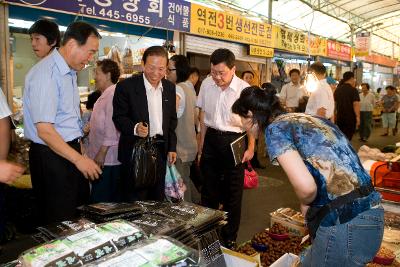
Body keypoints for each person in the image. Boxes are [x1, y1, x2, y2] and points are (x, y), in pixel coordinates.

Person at [232, 85, 383, 267]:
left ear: (250, 114)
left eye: (242, 118)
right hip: (372, 215)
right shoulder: (309, 119)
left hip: (344, 225)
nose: (242, 125)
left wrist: (306, 203)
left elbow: (306, 188)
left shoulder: (275, 129)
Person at [23, 21, 102, 225]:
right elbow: (45, 130)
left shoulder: (69, 73)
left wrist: (80, 150)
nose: (90, 58)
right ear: (73, 44)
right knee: (59, 221)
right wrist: (79, 160)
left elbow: (68, 119)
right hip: (51, 156)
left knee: (77, 216)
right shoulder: (47, 74)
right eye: (90, 51)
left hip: (68, 151)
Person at [197, 48, 255, 248]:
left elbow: (251, 122)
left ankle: (230, 237)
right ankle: (208, 234)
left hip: (235, 141)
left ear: (233, 69)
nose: (217, 77)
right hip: (212, 138)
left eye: (221, 73)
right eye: (214, 72)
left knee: (233, 193)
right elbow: (203, 118)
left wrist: (251, 147)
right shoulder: (206, 83)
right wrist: (201, 145)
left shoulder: (244, 89)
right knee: (209, 191)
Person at [113, 46, 177, 202]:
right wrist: (135, 128)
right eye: (151, 68)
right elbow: (119, 117)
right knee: (135, 200)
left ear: (166, 69)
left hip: (160, 150)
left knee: (157, 199)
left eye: (161, 69)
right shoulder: (125, 87)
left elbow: (172, 120)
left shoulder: (169, 88)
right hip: (136, 151)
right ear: (143, 65)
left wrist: (172, 148)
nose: (156, 73)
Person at [86, 59, 121, 203]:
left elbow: (112, 128)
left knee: (102, 203)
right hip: (102, 159)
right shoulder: (104, 95)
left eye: (97, 72)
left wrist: (101, 154)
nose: (94, 76)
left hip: (108, 160)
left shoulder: (112, 95)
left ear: (108, 75)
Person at [167, 55, 199, 203]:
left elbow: (169, 117)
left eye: (170, 69)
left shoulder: (178, 89)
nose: (167, 72)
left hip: (180, 147)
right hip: (190, 143)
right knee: (185, 179)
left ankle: (191, 219)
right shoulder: (189, 87)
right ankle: (201, 204)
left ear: (178, 70)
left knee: (182, 186)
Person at [334, 71, 360, 140]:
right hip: (350, 118)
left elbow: (335, 104)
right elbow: (356, 104)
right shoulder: (353, 90)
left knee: (341, 136)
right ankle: (346, 150)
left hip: (340, 117)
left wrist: (334, 115)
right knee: (348, 137)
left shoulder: (338, 90)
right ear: (351, 78)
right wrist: (358, 117)